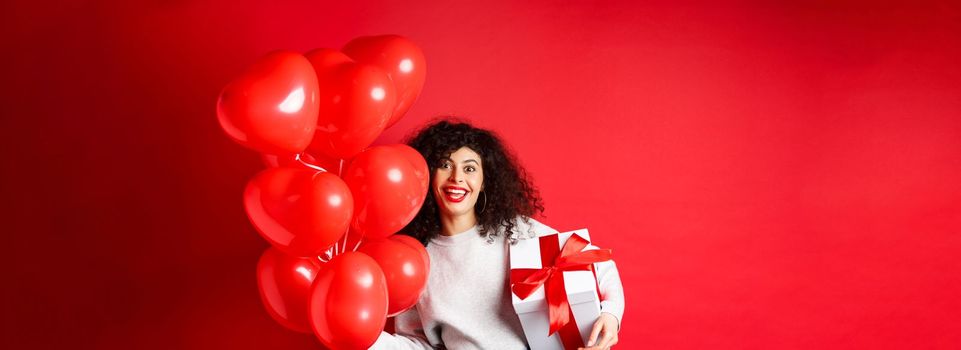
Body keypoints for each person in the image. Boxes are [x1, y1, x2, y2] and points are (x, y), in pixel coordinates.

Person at [371, 119, 625, 349]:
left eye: (469, 169)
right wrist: (369, 340)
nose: (456, 178)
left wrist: (611, 315)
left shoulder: (515, 231)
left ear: (484, 182)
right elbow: (420, 342)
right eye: (445, 165)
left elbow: (600, 264)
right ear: (428, 174)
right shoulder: (414, 257)